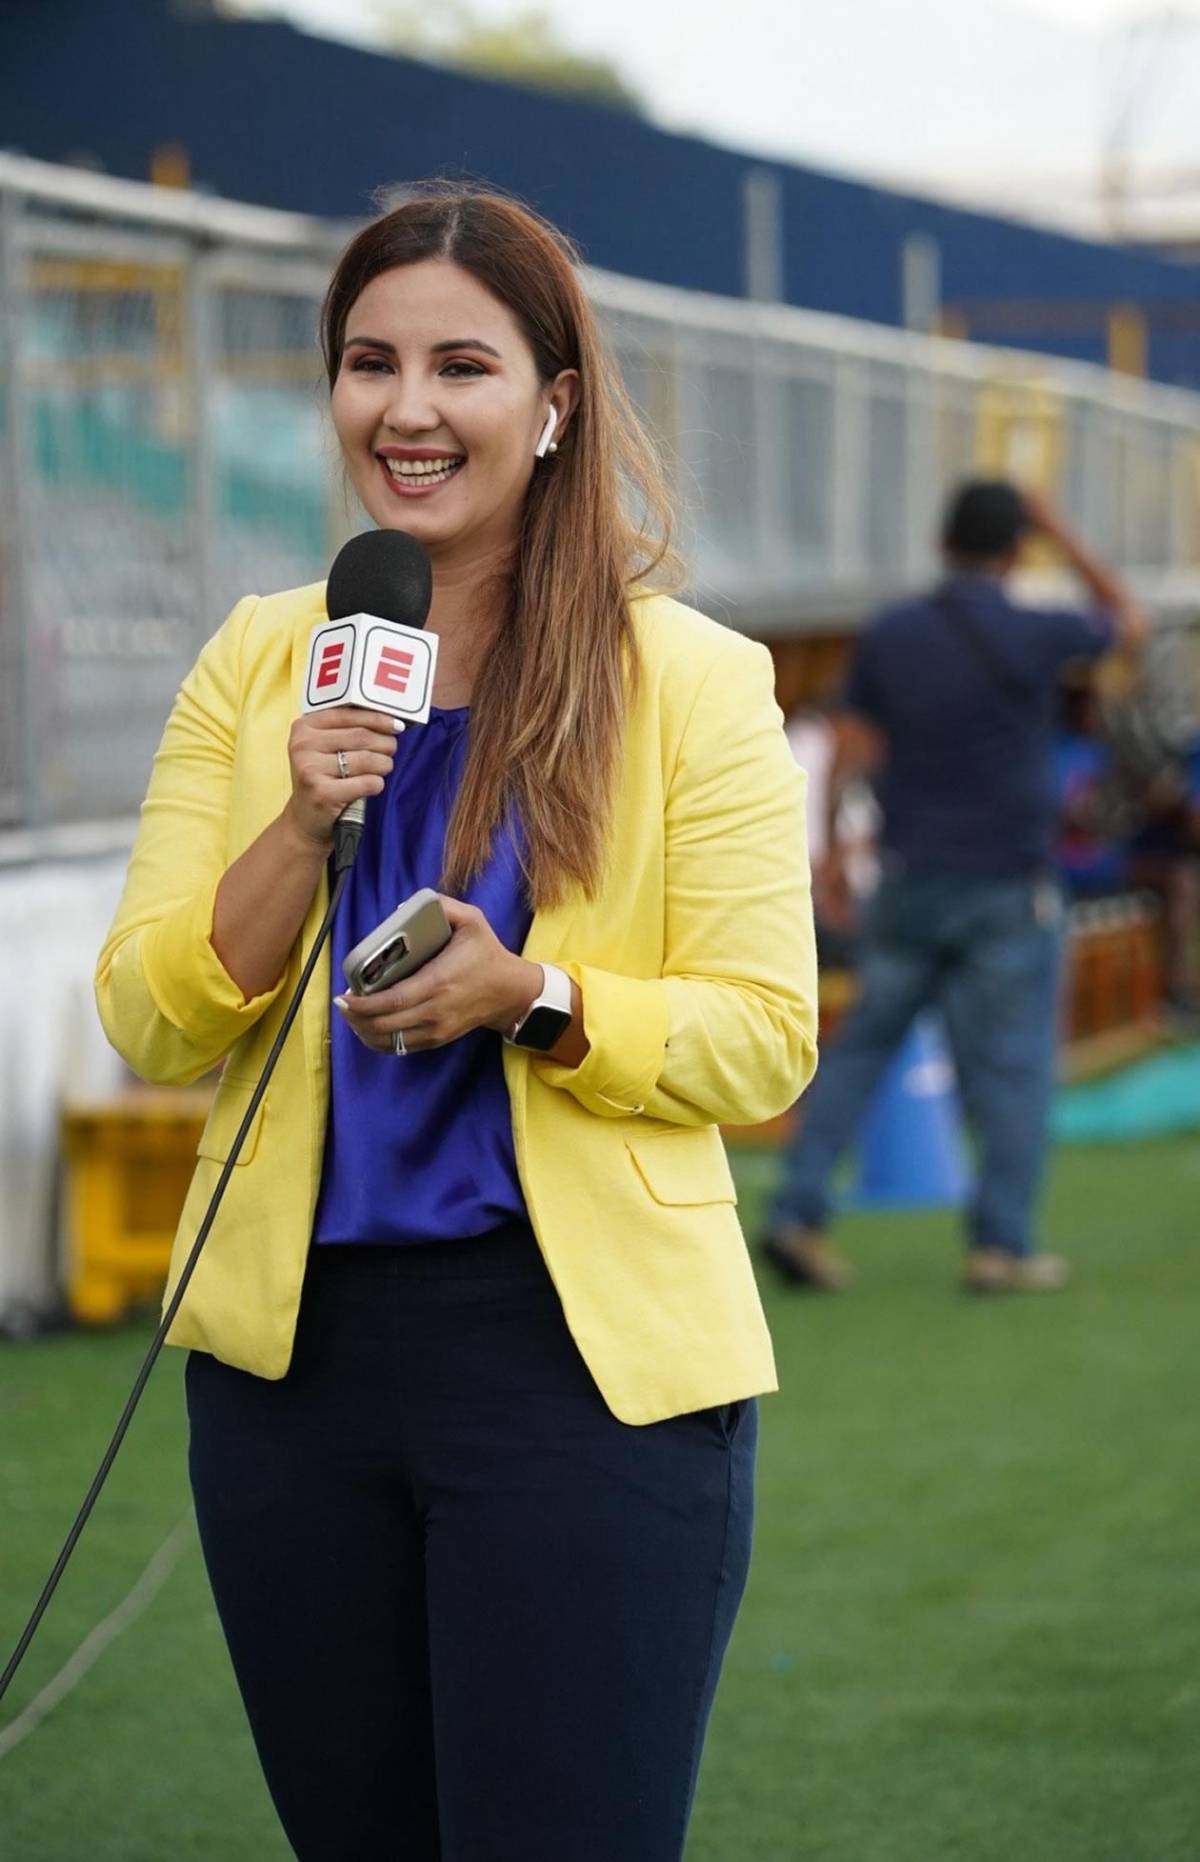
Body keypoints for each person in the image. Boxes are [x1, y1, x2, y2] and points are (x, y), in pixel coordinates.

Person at [94, 185, 817, 1861]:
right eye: (370, 363)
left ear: (554, 401)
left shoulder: (691, 677)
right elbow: (149, 1013)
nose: (406, 409)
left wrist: (536, 998)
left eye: (460, 367)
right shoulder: (260, 660)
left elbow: (764, 1033)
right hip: (291, 1380)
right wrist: (299, 823)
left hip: (577, 1367)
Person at [760, 480, 1145, 1296]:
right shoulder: (1037, 629)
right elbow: (1128, 621)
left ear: (943, 544)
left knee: (862, 1049)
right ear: (1018, 550)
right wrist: (1060, 526)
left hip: (910, 878)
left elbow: (854, 743)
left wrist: (831, 853)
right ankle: (1000, 1245)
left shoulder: (893, 631)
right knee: (1012, 1069)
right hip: (1009, 885)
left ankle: (797, 1211)